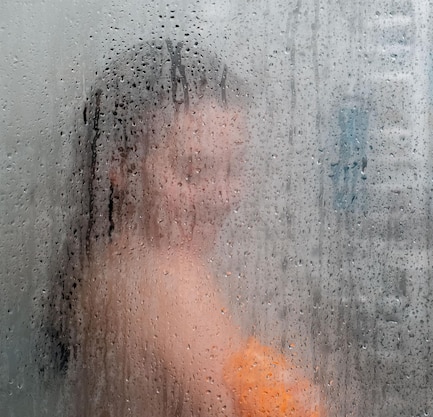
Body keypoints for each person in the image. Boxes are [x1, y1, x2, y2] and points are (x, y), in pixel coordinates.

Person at [53, 39, 324, 417]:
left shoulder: (99, 270)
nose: (224, 196)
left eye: (234, 169)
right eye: (194, 171)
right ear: (117, 165)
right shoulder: (170, 278)